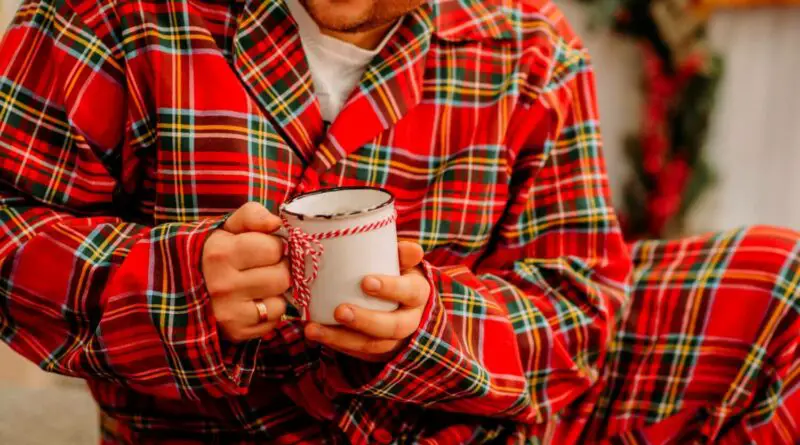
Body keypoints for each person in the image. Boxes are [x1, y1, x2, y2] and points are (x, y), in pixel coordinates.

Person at [0, 0, 797, 443]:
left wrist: (436, 325)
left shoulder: (526, 44)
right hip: (219, 430)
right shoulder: (108, 16)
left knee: (780, 284)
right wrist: (171, 284)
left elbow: (580, 302)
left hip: (465, 417)